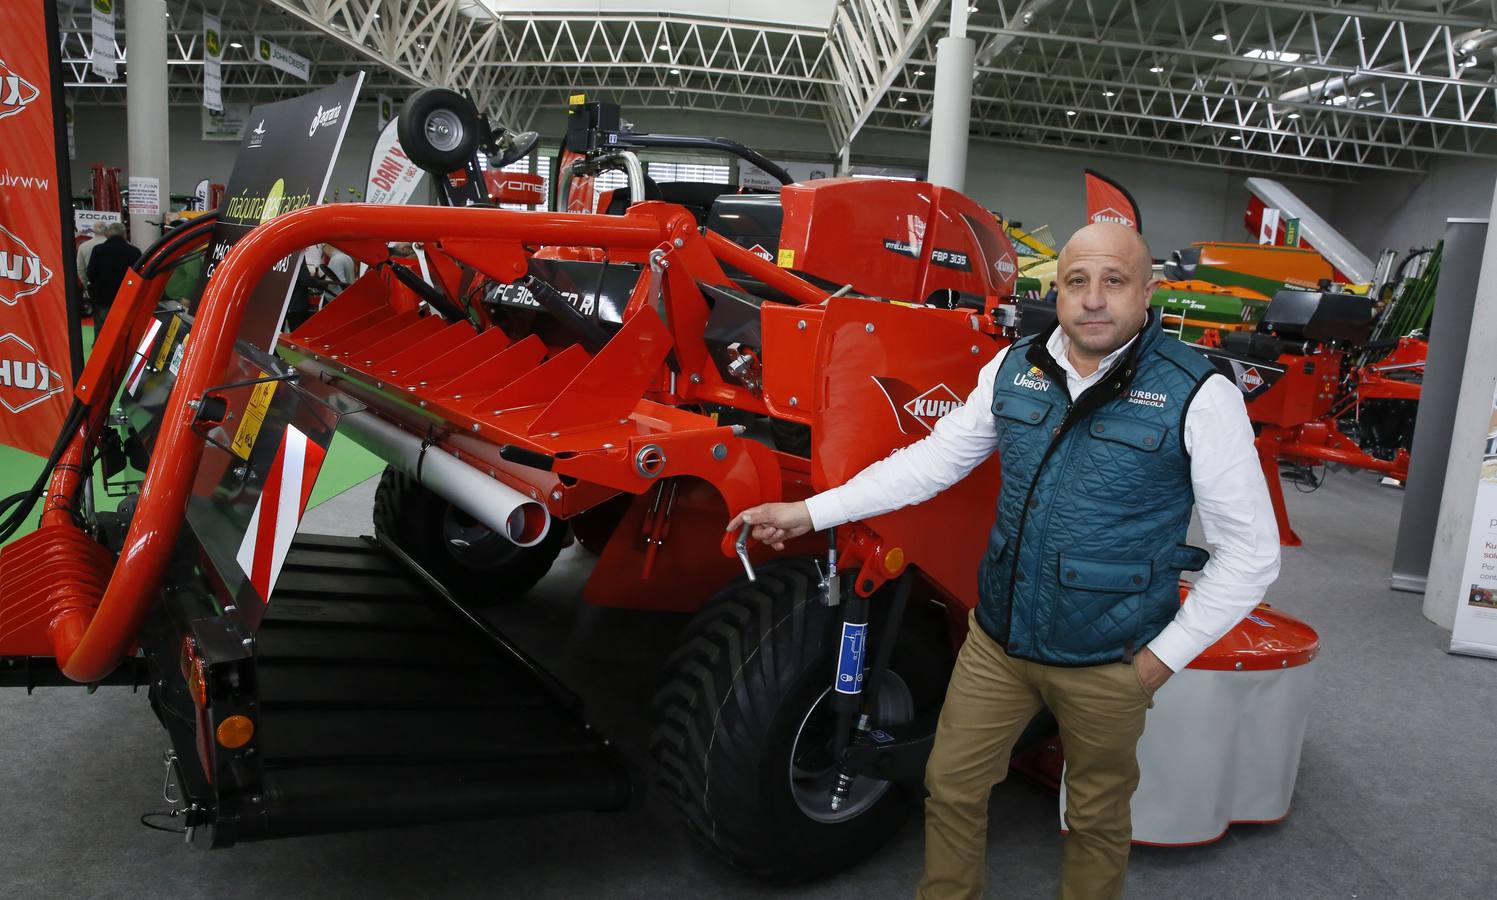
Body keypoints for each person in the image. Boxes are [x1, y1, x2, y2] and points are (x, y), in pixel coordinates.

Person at [728, 222, 1280, 900]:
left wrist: (1158, 662)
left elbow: (1251, 555)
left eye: (1113, 281)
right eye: (1076, 282)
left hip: (1110, 658)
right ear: (1057, 290)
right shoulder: (1014, 367)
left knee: (1096, 814)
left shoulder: (1197, 392)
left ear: (1147, 292)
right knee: (951, 785)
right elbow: (932, 463)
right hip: (997, 643)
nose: (1093, 300)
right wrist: (809, 512)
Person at [86, 221, 141, 328]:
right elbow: (139, 274)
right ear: (125, 234)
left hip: (102, 296)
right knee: (124, 327)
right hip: (126, 296)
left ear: (107, 234)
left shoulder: (98, 250)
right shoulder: (135, 251)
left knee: (102, 328)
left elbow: (91, 273)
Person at [76, 222, 108, 291]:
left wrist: (86, 286)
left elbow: (80, 269)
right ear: (106, 230)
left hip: (93, 285)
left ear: (93, 230)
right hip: (113, 287)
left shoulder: (83, 246)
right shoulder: (113, 245)